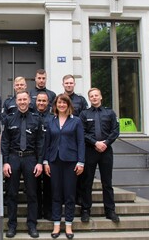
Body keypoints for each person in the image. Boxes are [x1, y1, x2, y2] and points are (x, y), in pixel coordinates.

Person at [2, 90, 44, 239]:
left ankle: (32, 225)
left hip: (30, 158)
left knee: (32, 193)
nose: (22, 102)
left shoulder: (36, 119)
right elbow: (5, 142)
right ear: (16, 101)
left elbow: (40, 143)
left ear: (29, 101)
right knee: (12, 194)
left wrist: (40, 163)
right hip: (13, 158)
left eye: (24, 99)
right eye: (19, 99)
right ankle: (12, 226)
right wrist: (5, 162)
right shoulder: (9, 119)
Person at [43, 94, 85, 239]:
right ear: (56, 105)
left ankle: (68, 224)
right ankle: (56, 224)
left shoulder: (76, 121)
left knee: (69, 194)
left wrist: (81, 162)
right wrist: (45, 161)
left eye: (64, 103)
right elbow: (47, 143)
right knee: (55, 193)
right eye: (59, 102)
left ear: (68, 105)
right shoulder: (51, 121)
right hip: (54, 161)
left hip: (71, 162)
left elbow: (81, 142)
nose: (61, 105)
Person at [79, 88, 120, 224]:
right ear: (89, 98)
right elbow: (82, 132)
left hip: (106, 151)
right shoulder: (84, 114)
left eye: (96, 95)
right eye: (91, 96)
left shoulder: (110, 113)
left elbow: (115, 130)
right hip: (90, 151)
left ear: (101, 97)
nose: (94, 98)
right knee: (87, 182)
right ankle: (85, 210)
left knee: (107, 183)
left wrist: (105, 143)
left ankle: (110, 211)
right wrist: (95, 142)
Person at [34, 92, 53, 221]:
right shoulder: (31, 116)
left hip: (49, 155)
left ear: (48, 103)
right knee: (34, 186)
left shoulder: (53, 118)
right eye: (39, 100)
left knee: (49, 186)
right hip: (34, 156)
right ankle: (36, 212)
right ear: (36, 102)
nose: (41, 103)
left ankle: (48, 212)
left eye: (44, 101)